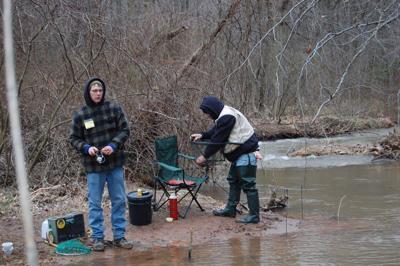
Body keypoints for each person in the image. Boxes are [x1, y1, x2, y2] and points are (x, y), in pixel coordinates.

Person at [69, 77, 133, 251]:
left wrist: (113, 145)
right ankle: (98, 238)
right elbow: (73, 138)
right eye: (94, 91)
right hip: (93, 166)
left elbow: (125, 130)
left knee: (119, 200)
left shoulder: (114, 108)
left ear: (103, 92)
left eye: (100, 90)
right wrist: (86, 148)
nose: (98, 93)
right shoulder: (81, 114)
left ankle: (119, 236)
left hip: (115, 163)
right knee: (95, 202)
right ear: (88, 93)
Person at [191, 96, 262, 224]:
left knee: (248, 185)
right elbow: (216, 131)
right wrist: (203, 135)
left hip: (246, 152)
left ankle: (254, 216)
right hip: (240, 153)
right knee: (233, 181)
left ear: (212, 109)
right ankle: (230, 210)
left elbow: (218, 140)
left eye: (207, 112)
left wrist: (204, 156)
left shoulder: (227, 116)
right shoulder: (224, 114)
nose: (207, 115)